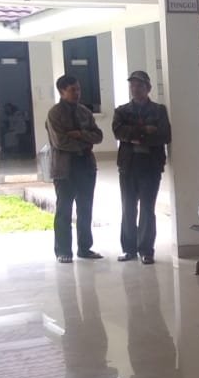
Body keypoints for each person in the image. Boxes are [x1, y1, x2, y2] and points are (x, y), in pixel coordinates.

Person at [112, 69, 171, 265]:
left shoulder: (159, 110)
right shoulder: (122, 111)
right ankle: (128, 249)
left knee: (147, 208)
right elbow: (118, 132)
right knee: (128, 208)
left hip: (150, 166)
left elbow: (164, 135)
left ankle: (146, 250)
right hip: (128, 165)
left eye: (139, 85)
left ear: (148, 88)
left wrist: (134, 135)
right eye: (132, 85)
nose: (135, 89)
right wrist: (145, 130)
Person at [46, 74, 104, 263]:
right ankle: (63, 251)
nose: (77, 93)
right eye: (73, 90)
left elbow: (98, 136)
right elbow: (60, 142)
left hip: (86, 166)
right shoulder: (55, 114)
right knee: (64, 209)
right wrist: (85, 142)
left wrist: (80, 134)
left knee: (85, 208)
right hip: (64, 168)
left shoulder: (85, 112)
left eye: (78, 89)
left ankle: (85, 248)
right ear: (62, 91)